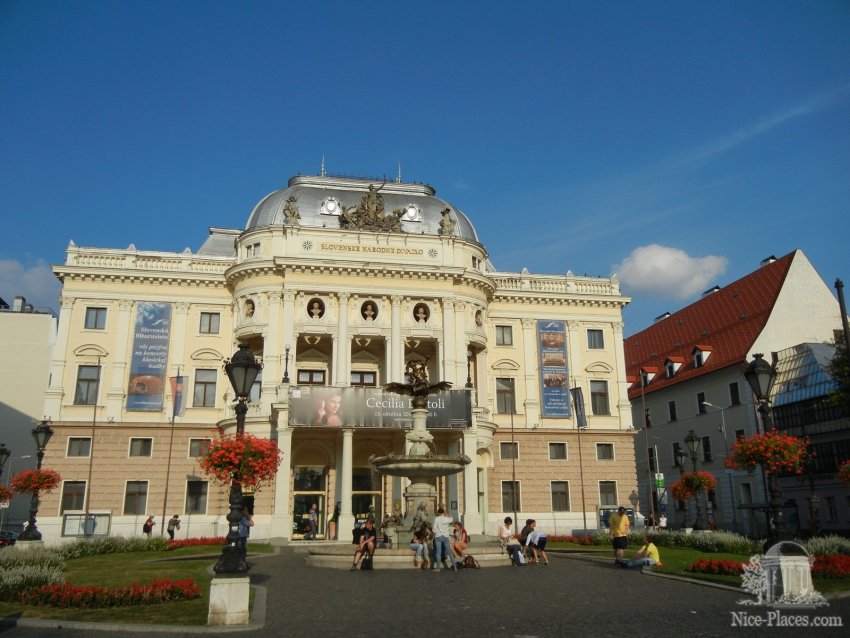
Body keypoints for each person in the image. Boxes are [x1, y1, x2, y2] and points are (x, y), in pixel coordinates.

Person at [432, 506, 457, 572]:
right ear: (443, 512)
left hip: (438, 536)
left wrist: (435, 533)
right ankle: (455, 567)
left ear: (438, 513)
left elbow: (434, 529)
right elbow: (452, 518)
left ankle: (438, 568)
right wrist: (447, 514)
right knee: (450, 552)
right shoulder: (447, 519)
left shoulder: (436, 519)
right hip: (445, 536)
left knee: (438, 553)